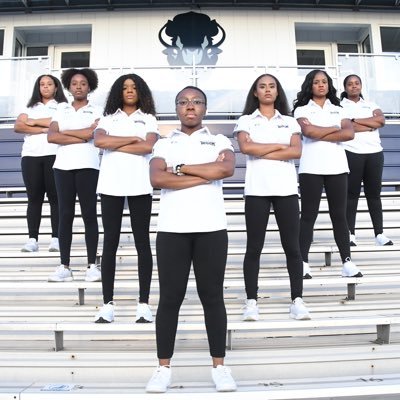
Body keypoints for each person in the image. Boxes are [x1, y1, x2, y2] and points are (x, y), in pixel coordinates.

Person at [145, 86, 237, 393]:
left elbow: (225, 168)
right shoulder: (163, 142)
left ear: (205, 108)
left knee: (212, 297)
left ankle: (220, 368)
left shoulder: (220, 140)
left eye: (196, 102)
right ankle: (163, 368)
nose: (190, 106)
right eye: (183, 102)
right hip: (172, 229)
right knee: (170, 298)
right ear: (176, 108)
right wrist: (206, 174)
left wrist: (182, 170)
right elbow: (157, 178)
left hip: (211, 227)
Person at [234, 73, 310, 321]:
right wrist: (280, 146)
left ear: (278, 92)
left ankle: (297, 300)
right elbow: (246, 148)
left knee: (293, 248)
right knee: (254, 248)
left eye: (272, 86)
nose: (267, 90)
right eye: (262, 86)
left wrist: (261, 148)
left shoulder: (290, 121)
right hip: (257, 192)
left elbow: (296, 151)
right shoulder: (246, 120)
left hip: (286, 191)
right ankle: (251, 302)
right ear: (255, 92)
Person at [93, 74, 159, 324]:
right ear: (118, 92)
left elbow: (147, 147)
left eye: (133, 87)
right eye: (125, 88)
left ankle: (143, 304)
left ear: (140, 91)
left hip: (140, 185)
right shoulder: (108, 118)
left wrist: (115, 143)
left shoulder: (149, 118)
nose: (129, 91)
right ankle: (107, 304)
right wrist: (133, 138)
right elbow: (99, 140)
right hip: (110, 185)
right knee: (110, 242)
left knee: (142, 242)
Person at [293, 69, 363, 279]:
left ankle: (347, 262)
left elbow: (349, 134)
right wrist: (334, 130)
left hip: (337, 169)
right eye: (316, 82)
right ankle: (303, 262)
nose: (321, 85)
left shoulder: (339, 109)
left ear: (329, 85)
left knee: (339, 216)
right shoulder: (301, 110)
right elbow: (308, 132)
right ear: (310, 86)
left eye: (324, 82)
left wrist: (319, 130)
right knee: (307, 217)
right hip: (311, 169)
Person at [47, 68, 102, 283]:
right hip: (63, 167)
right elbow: (52, 137)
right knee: (65, 215)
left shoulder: (98, 110)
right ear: (68, 87)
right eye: (74, 83)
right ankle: (64, 266)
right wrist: (82, 135)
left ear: (90, 87)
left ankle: (91, 265)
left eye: (83, 83)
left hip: (88, 165)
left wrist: (66, 133)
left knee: (89, 214)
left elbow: (94, 135)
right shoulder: (61, 109)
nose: (79, 86)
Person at [14, 74, 67, 253]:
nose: (45, 87)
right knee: (34, 198)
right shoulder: (29, 106)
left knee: (55, 198)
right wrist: (45, 129)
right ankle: (32, 239)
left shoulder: (62, 107)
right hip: (30, 156)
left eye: (49, 84)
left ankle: (56, 239)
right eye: (42, 84)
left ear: (56, 87)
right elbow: (18, 126)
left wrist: (34, 122)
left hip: (54, 155)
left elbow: (60, 124)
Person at [340, 74, 393, 247]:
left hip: (375, 153)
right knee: (351, 194)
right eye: (350, 84)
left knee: (374, 195)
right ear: (345, 87)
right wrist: (369, 125)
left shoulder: (371, 104)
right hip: (352, 152)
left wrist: (355, 121)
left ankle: (379, 234)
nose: (354, 86)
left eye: (357, 83)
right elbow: (346, 127)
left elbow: (380, 121)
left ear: (361, 86)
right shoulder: (340, 106)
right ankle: (350, 234)